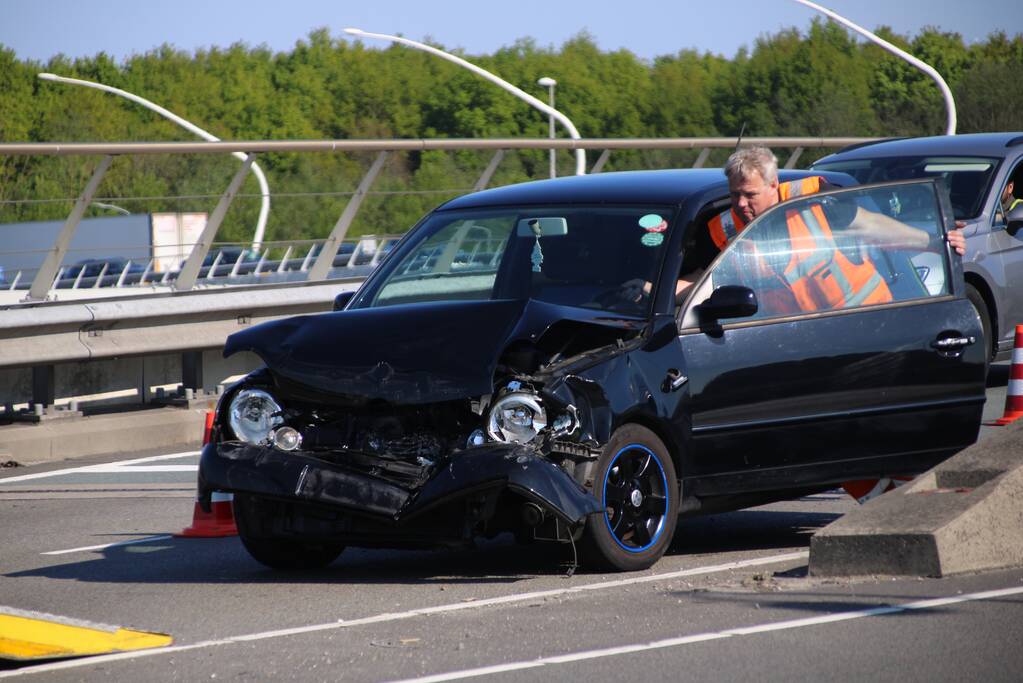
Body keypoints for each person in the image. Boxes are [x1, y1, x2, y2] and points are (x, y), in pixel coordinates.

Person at [673, 146, 966, 305]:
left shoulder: (817, 202)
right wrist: (654, 293)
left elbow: (874, 228)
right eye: (735, 194)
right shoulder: (724, 228)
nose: (740, 204)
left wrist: (935, 241)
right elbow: (704, 279)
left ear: (773, 184)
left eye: (750, 195)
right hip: (785, 340)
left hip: (861, 321)